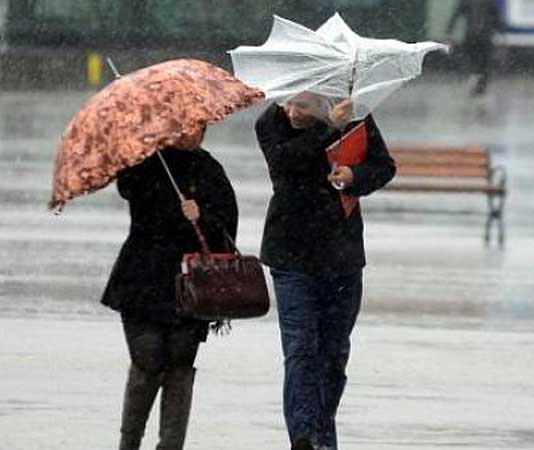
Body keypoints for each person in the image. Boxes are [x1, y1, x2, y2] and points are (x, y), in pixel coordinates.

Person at [255, 93, 395, 450]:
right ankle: (304, 437)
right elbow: (285, 162)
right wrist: (329, 128)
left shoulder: (356, 118)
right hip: (291, 256)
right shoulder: (270, 123)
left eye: (301, 106)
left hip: (342, 256)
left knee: (334, 355)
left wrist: (355, 176)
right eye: (288, 104)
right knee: (301, 349)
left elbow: (384, 166)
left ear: (319, 101)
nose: (291, 112)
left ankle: (320, 434)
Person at [101, 142, 238, 450]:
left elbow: (228, 224)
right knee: (147, 357)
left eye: (199, 128)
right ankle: (129, 443)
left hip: (192, 282)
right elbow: (128, 189)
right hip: (141, 276)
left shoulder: (209, 168)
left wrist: (201, 214)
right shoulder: (145, 161)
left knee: (180, 362)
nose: (192, 133)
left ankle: (171, 445)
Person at [447, 0, 499, 96]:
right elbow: (496, 17)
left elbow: (456, 14)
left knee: (474, 61)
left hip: (473, 36)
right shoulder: (488, 2)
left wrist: (450, 29)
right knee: (483, 62)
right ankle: (479, 84)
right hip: (483, 37)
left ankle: (476, 81)